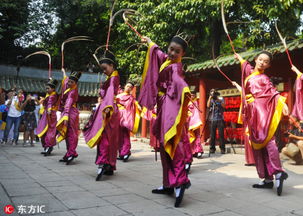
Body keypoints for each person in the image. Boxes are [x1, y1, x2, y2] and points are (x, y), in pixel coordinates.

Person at [139, 34, 191, 207]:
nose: (172, 53)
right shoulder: (167, 60)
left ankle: (180, 180)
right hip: (163, 105)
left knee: (171, 141)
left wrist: (185, 90)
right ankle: (169, 183)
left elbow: (178, 81)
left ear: (182, 54)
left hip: (169, 104)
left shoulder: (176, 67)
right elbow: (158, 53)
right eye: (171, 49)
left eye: (177, 51)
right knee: (163, 144)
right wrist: (149, 41)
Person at [235, 51, 289, 196]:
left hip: (261, 110)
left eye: (265, 61)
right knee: (257, 145)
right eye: (260, 59)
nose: (262, 62)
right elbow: (245, 66)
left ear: (268, 65)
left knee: (268, 140)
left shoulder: (265, 78)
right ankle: (266, 179)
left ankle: (278, 171)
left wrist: (282, 104)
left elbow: (273, 92)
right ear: (256, 60)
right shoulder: (250, 72)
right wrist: (239, 58)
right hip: (252, 113)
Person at [83, 51, 120, 181]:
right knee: (111, 138)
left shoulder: (113, 78)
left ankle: (103, 162)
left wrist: (106, 109)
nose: (104, 71)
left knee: (104, 136)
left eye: (105, 68)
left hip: (108, 110)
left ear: (112, 65)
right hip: (110, 109)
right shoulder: (112, 78)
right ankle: (109, 165)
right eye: (102, 69)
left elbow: (109, 95)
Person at [56, 69, 81, 165]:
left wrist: (65, 115)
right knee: (67, 134)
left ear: (76, 83)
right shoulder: (69, 87)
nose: (69, 83)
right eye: (69, 81)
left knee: (71, 133)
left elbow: (68, 103)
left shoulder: (72, 92)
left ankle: (71, 152)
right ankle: (69, 153)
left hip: (71, 113)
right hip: (67, 112)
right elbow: (65, 79)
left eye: (72, 82)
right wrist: (63, 72)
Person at [232, 81, 255, 166]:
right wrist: (236, 84)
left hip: (254, 122)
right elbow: (242, 90)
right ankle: (250, 160)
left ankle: (256, 159)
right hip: (247, 121)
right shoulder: (246, 97)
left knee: (253, 140)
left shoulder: (255, 98)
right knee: (247, 139)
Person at [116, 82, 141, 162]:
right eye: (127, 86)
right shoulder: (118, 96)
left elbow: (136, 106)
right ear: (124, 86)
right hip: (118, 116)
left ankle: (126, 152)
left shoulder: (131, 98)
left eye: (130, 87)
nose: (128, 88)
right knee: (118, 136)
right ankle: (121, 153)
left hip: (126, 117)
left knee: (125, 135)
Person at [37, 79, 58, 156]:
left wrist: (49, 109)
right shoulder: (49, 94)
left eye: (48, 88)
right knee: (44, 131)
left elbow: (50, 103)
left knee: (49, 130)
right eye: (46, 88)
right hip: (46, 114)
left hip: (50, 114)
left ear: (53, 89)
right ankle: (46, 147)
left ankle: (49, 146)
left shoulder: (53, 95)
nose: (47, 89)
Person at [207, 89, 226, 154]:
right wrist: (210, 97)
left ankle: (222, 149)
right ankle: (212, 148)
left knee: (221, 135)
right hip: (212, 119)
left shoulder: (220, 98)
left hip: (220, 118)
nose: (213, 94)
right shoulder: (211, 99)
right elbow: (208, 106)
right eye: (211, 92)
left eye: (214, 92)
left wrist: (218, 100)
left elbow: (224, 106)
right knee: (212, 135)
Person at [188, 92, 203, 158]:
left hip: (196, 121)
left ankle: (198, 151)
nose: (192, 96)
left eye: (193, 95)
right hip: (189, 121)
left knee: (197, 136)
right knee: (190, 137)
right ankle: (192, 151)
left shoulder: (197, 102)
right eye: (191, 95)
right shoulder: (187, 102)